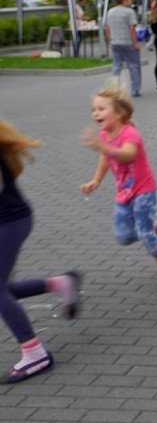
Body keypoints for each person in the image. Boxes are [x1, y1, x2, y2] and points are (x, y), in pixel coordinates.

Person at [80, 81, 157, 291]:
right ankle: (152, 229)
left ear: (118, 113)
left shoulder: (129, 134)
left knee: (145, 235)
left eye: (101, 109)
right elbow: (105, 157)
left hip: (144, 191)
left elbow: (128, 155)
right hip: (124, 193)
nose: (95, 113)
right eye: (94, 109)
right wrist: (96, 180)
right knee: (123, 237)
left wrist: (103, 146)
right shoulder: (105, 136)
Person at [0, 119, 80, 384]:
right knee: (3, 288)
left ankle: (35, 354)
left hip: (9, 222)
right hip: (12, 220)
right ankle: (61, 283)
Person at [105, 0, 142, 97]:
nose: (130, 1)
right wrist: (136, 43)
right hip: (128, 42)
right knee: (134, 66)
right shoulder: (129, 12)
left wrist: (110, 40)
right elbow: (132, 28)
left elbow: (107, 28)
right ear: (124, 0)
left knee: (117, 65)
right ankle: (135, 89)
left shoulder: (110, 12)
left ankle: (114, 87)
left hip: (115, 42)